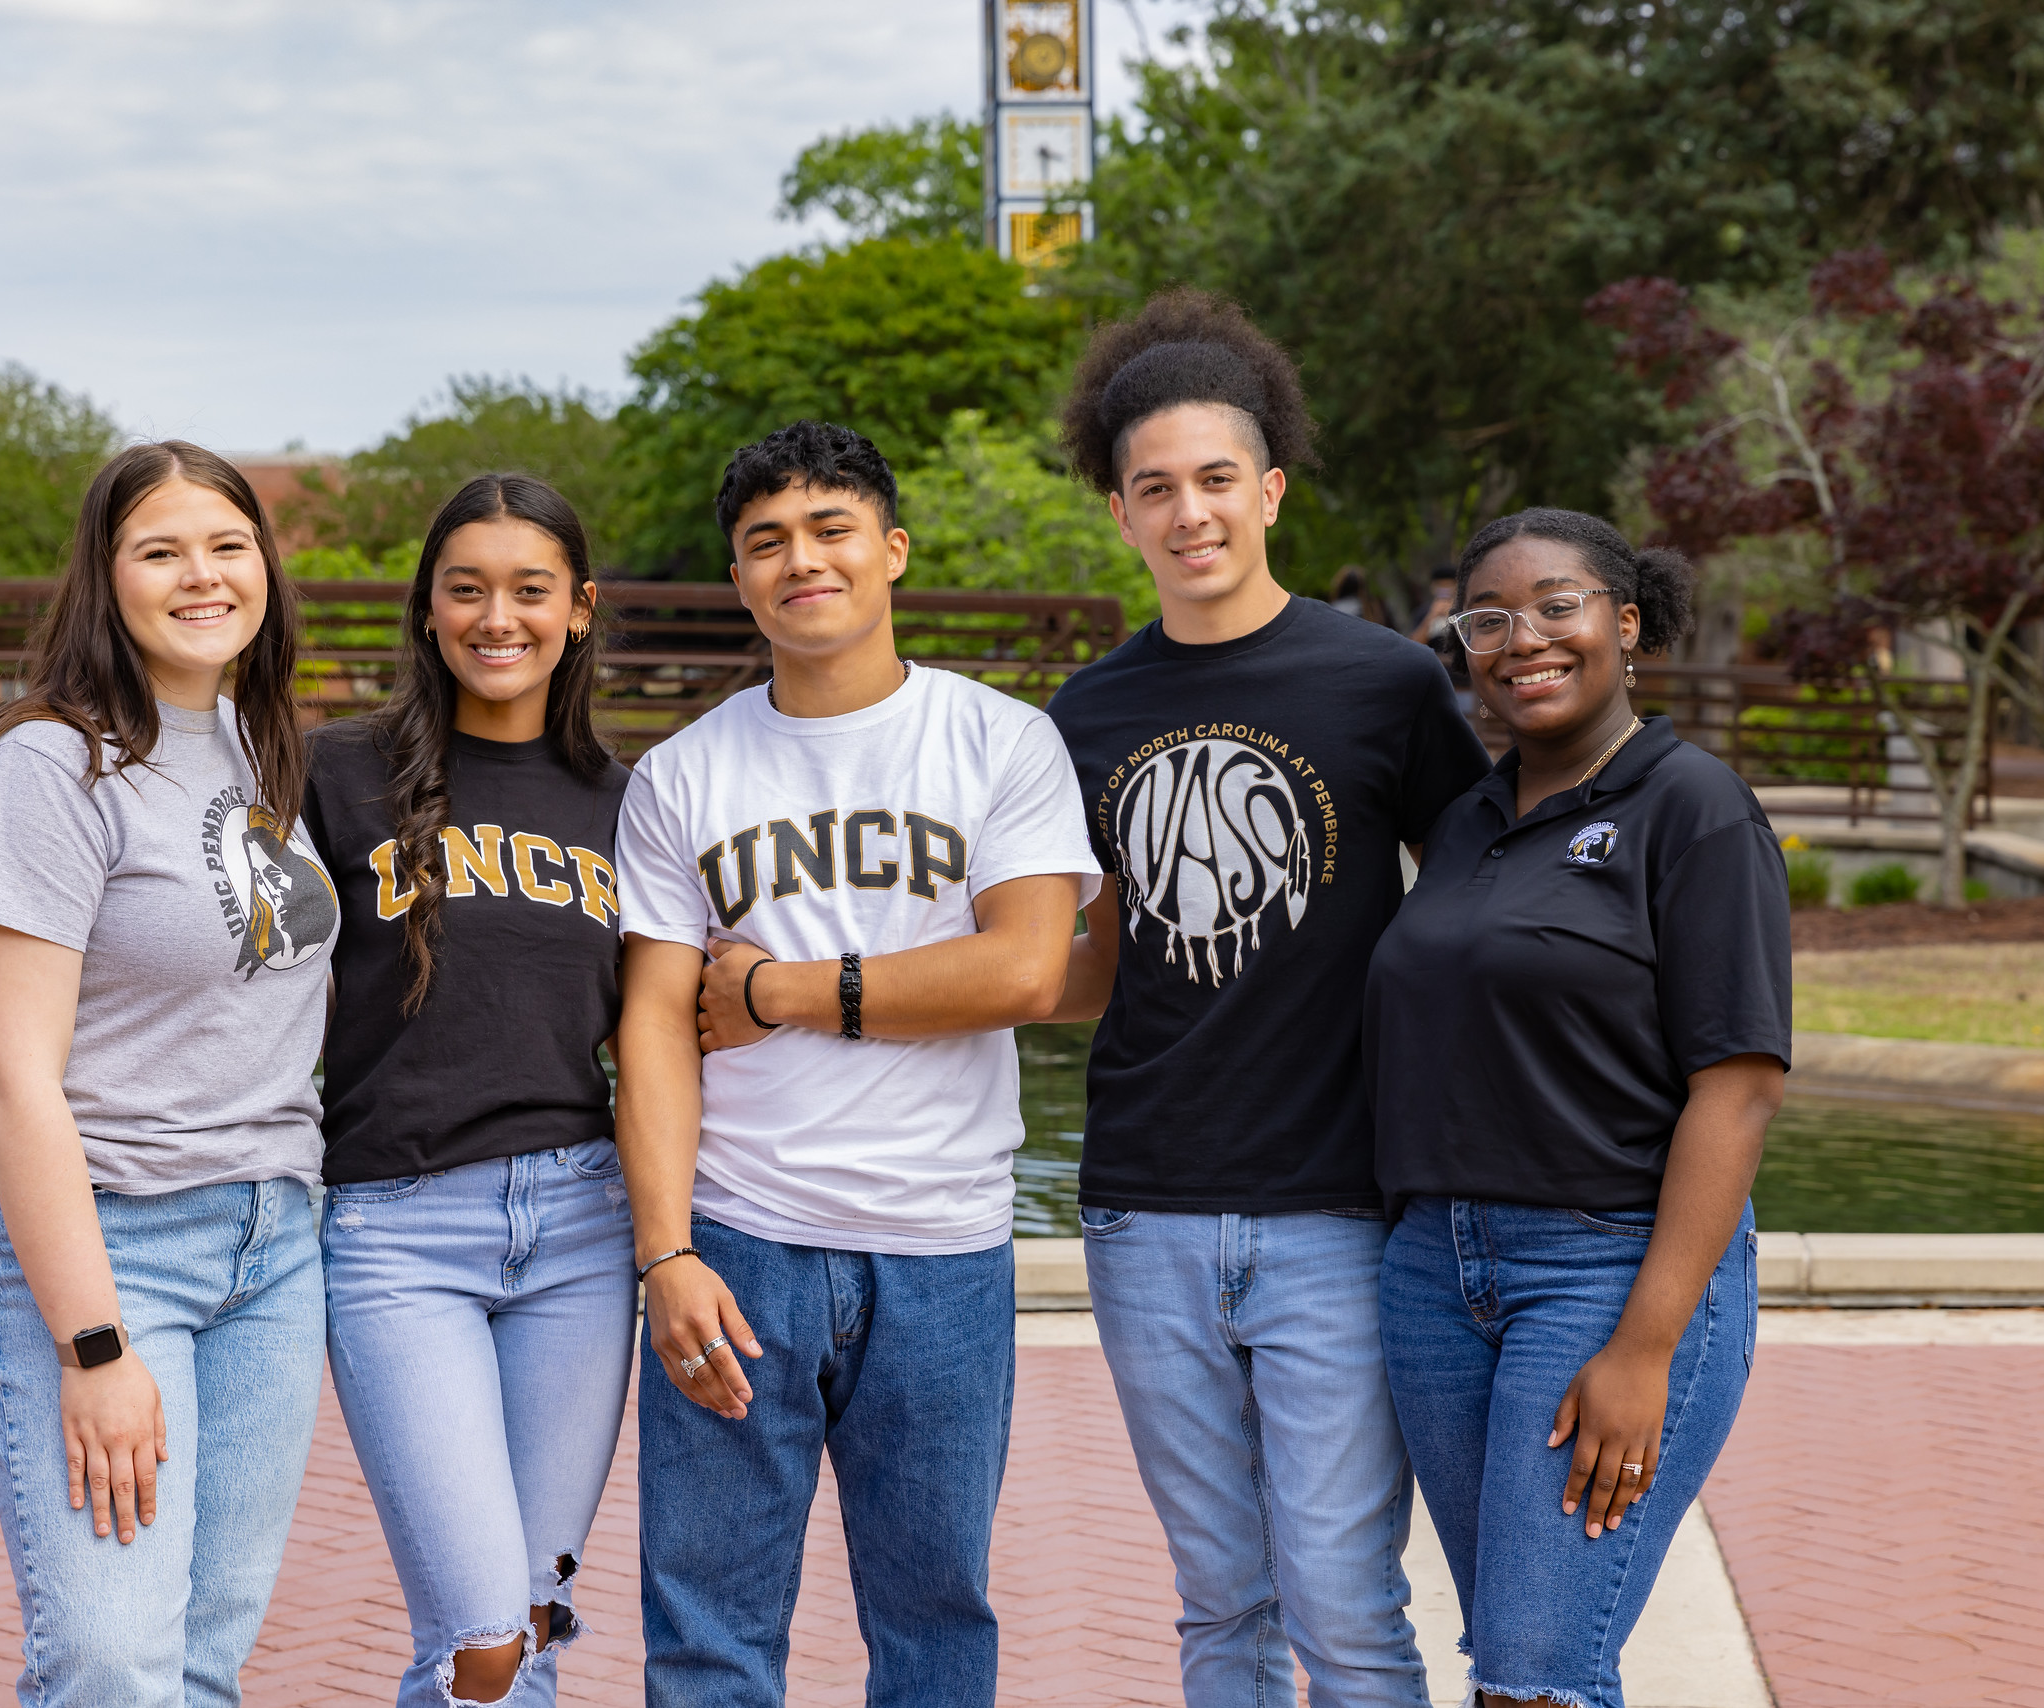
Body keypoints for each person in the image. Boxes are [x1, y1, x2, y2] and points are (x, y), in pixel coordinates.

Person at [1040, 289, 1490, 1707]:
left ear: (1273, 489)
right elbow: (1079, 954)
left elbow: (1489, 911)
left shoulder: (1388, 687)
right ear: (1120, 514)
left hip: (1343, 1213)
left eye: (1218, 481)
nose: (1191, 514)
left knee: (1347, 1608)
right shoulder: (1083, 716)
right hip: (1143, 1204)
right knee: (1218, 1606)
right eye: (1156, 489)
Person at [611, 419, 1099, 1708]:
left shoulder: (1000, 741)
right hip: (742, 1239)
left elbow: (1024, 970)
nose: (800, 560)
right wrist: (666, 1255)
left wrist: (782, 990)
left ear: (890, 549)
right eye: (765, 541)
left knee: (936, 1620)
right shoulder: (680, 774)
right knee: (706, 1627)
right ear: (739, 579)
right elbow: (656, 1026)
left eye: (830, 529)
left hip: (941, 1246)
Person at [1364, 508, 1789, 1708]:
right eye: (1487, 619)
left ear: (1626, 622)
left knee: (1538, 1673)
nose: (1524, 639)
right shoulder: (1463, 823)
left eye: (1559, 605)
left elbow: (1739, 1085)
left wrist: (1645, 1342)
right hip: (1435, 1280)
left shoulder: (1692, 806)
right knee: (1509, 1648)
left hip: (1604, 1272)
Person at [0, 441, 336, 1705]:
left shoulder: (258, 746)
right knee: (109, 1657)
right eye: (160, 550)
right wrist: (94, 1345)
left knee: (205, 1652)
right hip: (113, 1240)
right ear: (104, 581)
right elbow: (15, 1074)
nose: (202, 575)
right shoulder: (50, 764)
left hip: (274, 1238)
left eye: (227, 545)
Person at [299, 475, 631, 1707]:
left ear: (579, 610)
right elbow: (219, 954)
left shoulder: (626, 799)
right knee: (479, 1637)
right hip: (395, 1232)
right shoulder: (330, 774)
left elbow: (664, 1031)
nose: (501, 615)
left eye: (531, 589)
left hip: (584, 1237)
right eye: (468, 588)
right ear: (429, 612)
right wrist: (38, 1043)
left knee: (527, 1628)